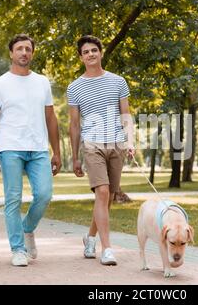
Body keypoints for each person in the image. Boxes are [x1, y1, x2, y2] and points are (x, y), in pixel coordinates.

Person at [0, 34, 61, 267]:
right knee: (13, 199)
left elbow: (51, 118)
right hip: (10, 148)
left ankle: (27, 229)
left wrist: (57, 152)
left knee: (44, 195)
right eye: (20, 49)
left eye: (28, 49)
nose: (24, 52)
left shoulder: (42, 82)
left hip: (38, 149)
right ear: (11, 53)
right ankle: (17, 249)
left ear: (32, 53)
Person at [68, 35, 135, 266]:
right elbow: (75, 125)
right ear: (81, 57)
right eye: (86, 52)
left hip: (116, 143)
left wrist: (130, 141)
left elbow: (125, 114)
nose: (90, 54)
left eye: (94, 50)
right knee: (103, 192)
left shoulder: (118, 81)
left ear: (101, 52)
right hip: (92, 144)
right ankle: (107, 249)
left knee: (107, 198)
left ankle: (90, 238)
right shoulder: (74, 87)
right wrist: (75, 157)